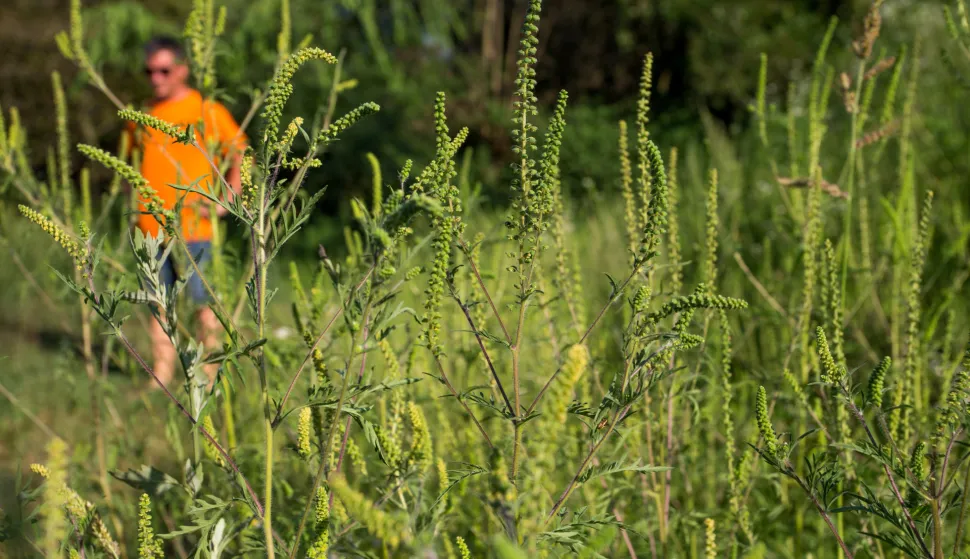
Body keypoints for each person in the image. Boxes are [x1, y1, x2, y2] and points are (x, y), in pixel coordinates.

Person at [124, 35, 247, 389]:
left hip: (195, 226)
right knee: (158, 304)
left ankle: (208, 375)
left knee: (201, 304)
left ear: (182, 70)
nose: (155, 79)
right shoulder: (141, 115)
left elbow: (240, 151)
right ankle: (161, 376)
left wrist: (228, 198)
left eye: (163, 70)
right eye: (149, 71)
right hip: (148, 228)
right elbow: (132, 161)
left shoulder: (206, 109)